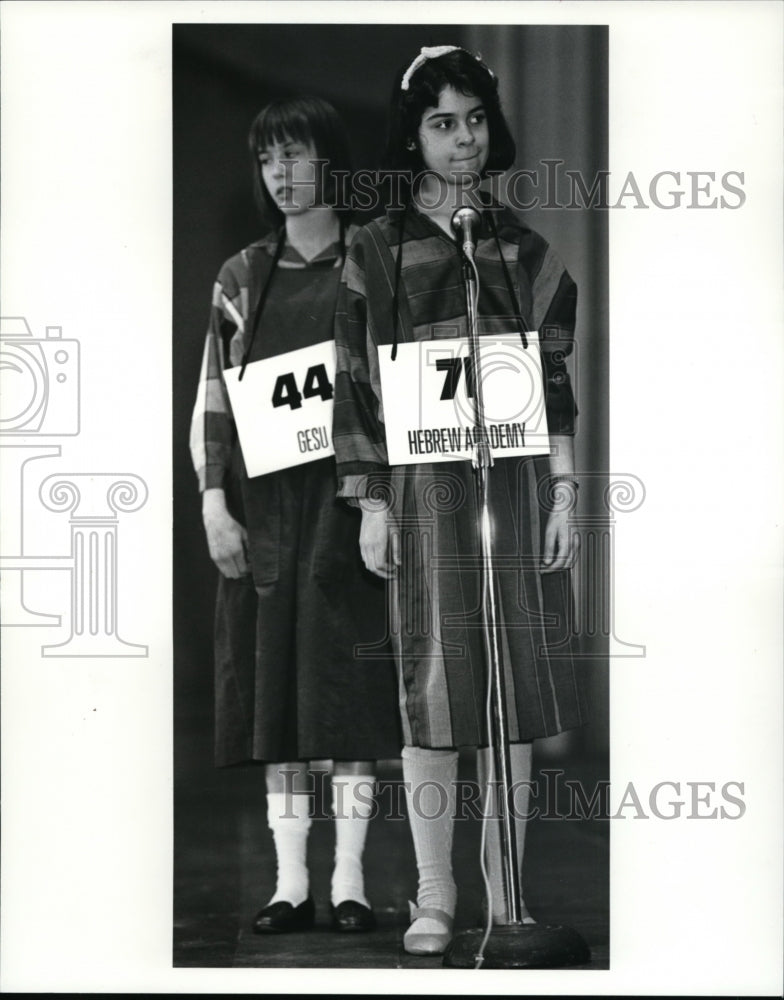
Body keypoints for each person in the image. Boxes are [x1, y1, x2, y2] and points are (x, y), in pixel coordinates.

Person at [332, 46, 586, 955]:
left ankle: (508, 900)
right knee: (436, 688)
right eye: (443, 123)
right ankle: (433, 896)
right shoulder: (375, 249)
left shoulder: (523, 251)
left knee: (513, 693)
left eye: (475, 120)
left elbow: (553, 387)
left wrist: (564, 494)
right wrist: (369, 502)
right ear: (414, 136)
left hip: (511, 492)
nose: (463, 139)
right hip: (424, 493)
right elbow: (352, 385)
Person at [189, 95, 401, 936]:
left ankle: (349, 878)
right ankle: (288, 884)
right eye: (268, 158)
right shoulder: (241, 274)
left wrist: (380, 503)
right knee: (276, 697)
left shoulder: (373, 261)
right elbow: (213, 397)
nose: (281, 174)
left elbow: (398, 390)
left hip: (349, 508)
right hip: (264, 509)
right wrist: (212, 500)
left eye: (296, 154)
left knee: (346, 694)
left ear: (330, 160)